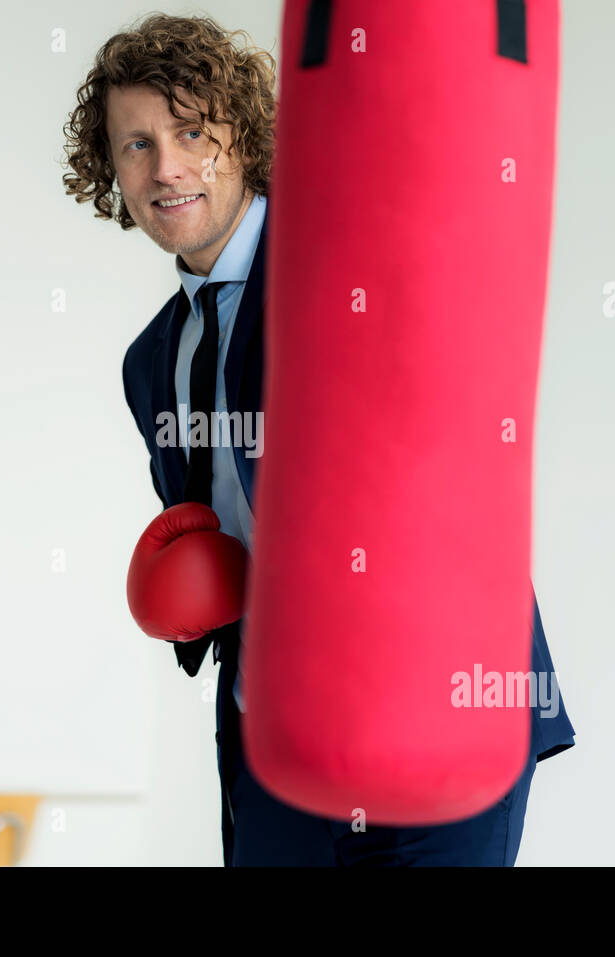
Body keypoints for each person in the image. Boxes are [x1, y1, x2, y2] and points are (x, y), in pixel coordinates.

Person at [63, 12, 575, 866]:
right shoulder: (151, 360)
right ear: (111, 170)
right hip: (281, 729)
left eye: (192, 131)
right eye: (137, 145)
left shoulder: (347, 267)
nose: (168, 168)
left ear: (243, 131)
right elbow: (226, 529)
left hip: (437, 695)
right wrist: (191, 598)